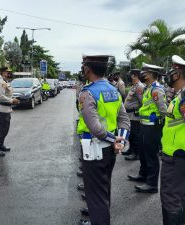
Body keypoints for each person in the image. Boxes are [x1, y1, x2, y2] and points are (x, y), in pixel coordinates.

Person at [78, 55, 130, 225]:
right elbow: (124, 120)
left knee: (95, 194)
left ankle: (98, 219)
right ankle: (97, 217)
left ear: (87, 69)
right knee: (103, 188)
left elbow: (94, 127)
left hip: (95, 148)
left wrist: (115, 139)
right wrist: (120, 140)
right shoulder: (113, 90)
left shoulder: (87, 92)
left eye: (84, 66)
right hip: (110, 149)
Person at [128, 63, 167, 193]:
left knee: (151, 155)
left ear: (150, 74)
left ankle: (152, 184)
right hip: (144, 126)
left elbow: (163, 110)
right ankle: (143, 175)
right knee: (144, 153)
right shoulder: (148, 88)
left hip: (152, 128)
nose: (142, 75)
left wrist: (158, 126)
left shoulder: (156, 89)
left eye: (144, 73)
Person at [160, 55, 185, 225]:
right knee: (181, 196)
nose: (170, 75)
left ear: (178, 74)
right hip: (180, 155)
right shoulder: (182, 94)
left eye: (172, 71)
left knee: (171, 198)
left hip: (178, 156)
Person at [0, 67, 19, 157]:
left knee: (6, 129)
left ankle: (1, 145)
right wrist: (12, 101)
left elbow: (8, 94)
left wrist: (12, 100)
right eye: (8, 72)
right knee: (2, 129)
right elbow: (0, 97)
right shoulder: (2, 83)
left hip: (6, 109)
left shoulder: (7, 83)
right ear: (3, 73)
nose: (10, 73)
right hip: (2, 110)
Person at [123, 69, 145, 160]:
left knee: (135, 135)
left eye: (131, 75)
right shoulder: (134, 86)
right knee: (131, 134)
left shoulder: (139, 86)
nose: (129, 76)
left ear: (135, 76)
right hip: (130, 115)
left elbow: (142, 101)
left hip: (135, 115)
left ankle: (136, 153)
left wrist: (138, 111)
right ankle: (131, 150)